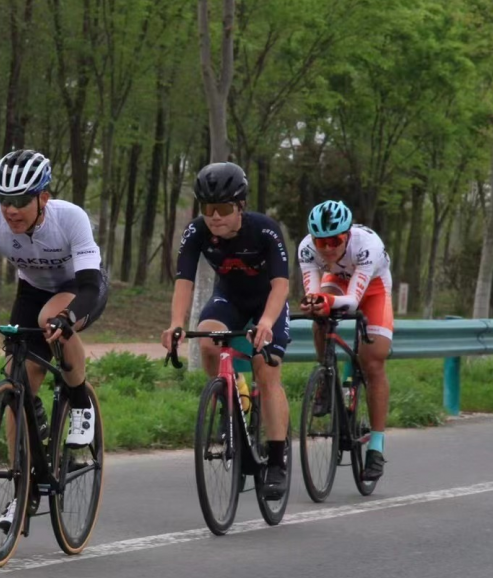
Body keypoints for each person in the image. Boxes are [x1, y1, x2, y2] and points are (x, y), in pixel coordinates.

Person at [0, 149, 109, 530]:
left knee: (52, 318)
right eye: (3, 200)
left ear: (43, 198)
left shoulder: (71, 218)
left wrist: (68, 318)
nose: (10, 210)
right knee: (16, 378)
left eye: (19, 201)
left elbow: (87, 283)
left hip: (80, 288)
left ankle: (81, 404)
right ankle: (25, 486)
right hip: (31, 291)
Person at [161, 162, 292, 499]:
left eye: (223, 209)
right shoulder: (196, 232)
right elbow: (184, 281)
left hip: (268, 302)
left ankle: (276, 460)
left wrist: (265, 322)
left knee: (267, 369)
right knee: (205, 341)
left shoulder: (265, 230)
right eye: (208, 209)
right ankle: (232, 395)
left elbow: (281, 285)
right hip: (230, 298)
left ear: (241, 207)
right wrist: (176, 322)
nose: (215, 217)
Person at [297, 199, 393, 481]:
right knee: (319, 314)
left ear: (348, 234)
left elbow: (351, 302)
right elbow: (315, 294)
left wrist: (326, 301)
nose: (327, 248)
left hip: (373, 287)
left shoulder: (367, 246)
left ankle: (376, 445)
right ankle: (327, 378)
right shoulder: (306, 249)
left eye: (335, 240)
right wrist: (315, 304)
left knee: (373, 361)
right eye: (321, 242)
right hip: (337, 280)